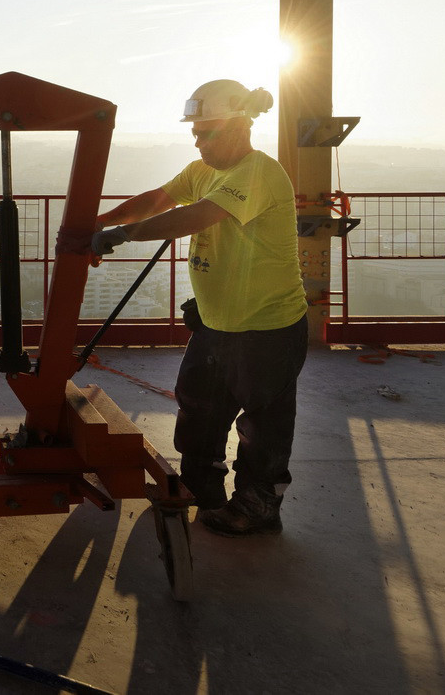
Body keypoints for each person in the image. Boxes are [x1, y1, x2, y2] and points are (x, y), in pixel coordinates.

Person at [73, 79, 309, 537]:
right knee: (199, 409)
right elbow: (158, 201)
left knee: (263, 425)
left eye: (208, 132)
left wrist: (118, 237)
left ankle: (258, 508)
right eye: (195, 132)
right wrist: (98, 221)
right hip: (215, 324)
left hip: (266, 327)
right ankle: (202, 490)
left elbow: (191, 217)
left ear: (240, 126)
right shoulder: (201, 171)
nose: (198, 141)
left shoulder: (259, 173)